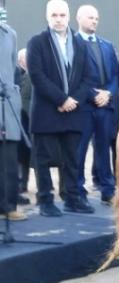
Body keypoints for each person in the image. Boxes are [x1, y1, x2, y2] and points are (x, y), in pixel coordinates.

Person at [27, 0, 99, 216]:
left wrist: (73, 99)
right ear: (47, 17)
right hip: (47, 111)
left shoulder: (80, 45)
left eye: (62, 15)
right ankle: (46, 201)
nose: (58, 19)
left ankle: (72, 198)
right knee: (43, 159)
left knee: (72, 159)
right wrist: (61, 100)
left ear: (69, 17)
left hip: (73, 111)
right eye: (54, 15)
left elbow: (88, 77)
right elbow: (37, 76)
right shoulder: (37, 42)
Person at [74, 4, 119, 206]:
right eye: (90, 17)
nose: (94, 21)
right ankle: (77, 190)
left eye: (96, 18)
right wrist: (93, 94)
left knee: (103, 149)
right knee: (80, 150)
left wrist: (108, 92)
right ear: (79, 19)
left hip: (105, 105)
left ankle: (107, 189)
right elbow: (73, 77)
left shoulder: (107, 45)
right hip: (83, 106)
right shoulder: (71, 44)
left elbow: (116, 74)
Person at [0, 22, 26, 221]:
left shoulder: (9, 33)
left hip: (6, 104)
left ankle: (8, 207)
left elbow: (13, 71)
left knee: (8, 157)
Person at [15, 48, 31, 206]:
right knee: (20, 154)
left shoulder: (33, 75)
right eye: (26, 58)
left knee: (27, 154)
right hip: (19, 120)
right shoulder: (17, 74)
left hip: (28, 121)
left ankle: (24, 183)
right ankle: (21, 183)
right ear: (20, 60)